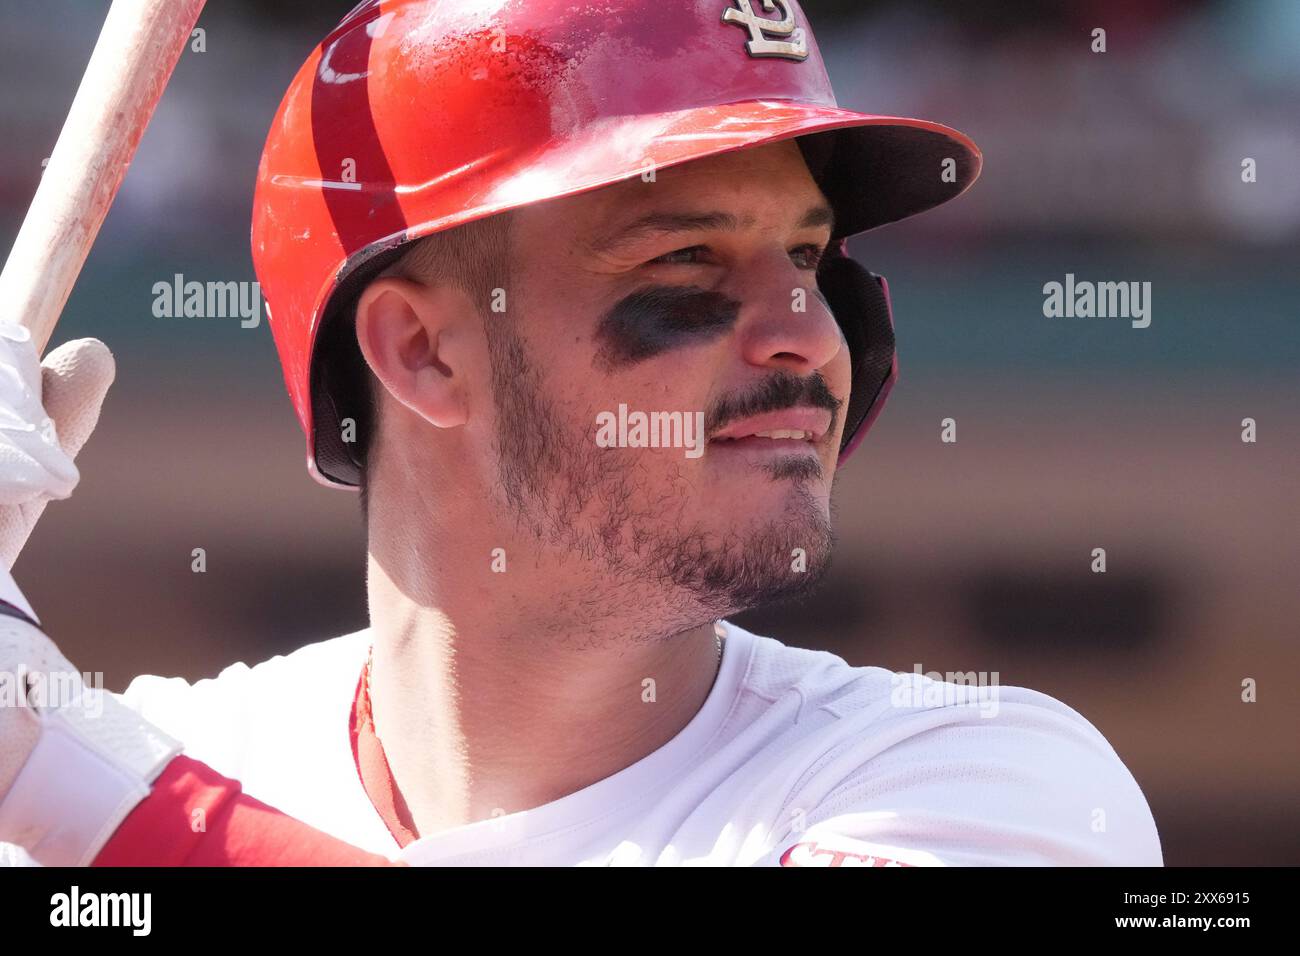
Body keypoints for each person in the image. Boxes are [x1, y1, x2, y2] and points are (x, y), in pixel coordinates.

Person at [0, 0, 1161, 866]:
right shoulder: (135, 765)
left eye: (806, 256)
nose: (807, 333)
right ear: (422, 351)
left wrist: (54, 767)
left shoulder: (987, 781)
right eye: (687, 259)